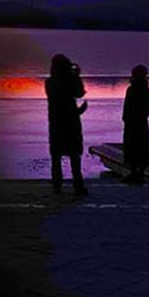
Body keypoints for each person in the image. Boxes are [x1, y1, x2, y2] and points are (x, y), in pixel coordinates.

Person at [45, 54, 88, 196]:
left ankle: (57, 185)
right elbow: (79, 93)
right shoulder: (70, 81)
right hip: (70, 121)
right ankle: (78, 184)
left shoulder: (50, 82)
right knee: (74, 155)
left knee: (56, 156)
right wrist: (76, 76)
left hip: (56, 122)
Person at [122, 64, 149, 184]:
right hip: (133, 121)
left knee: (137, 146)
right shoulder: (136, 88)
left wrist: (139, 116)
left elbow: (148, 106)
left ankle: (138, 173)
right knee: (134, 146)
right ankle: (135, 172)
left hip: (137, 122)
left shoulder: (140, 89)